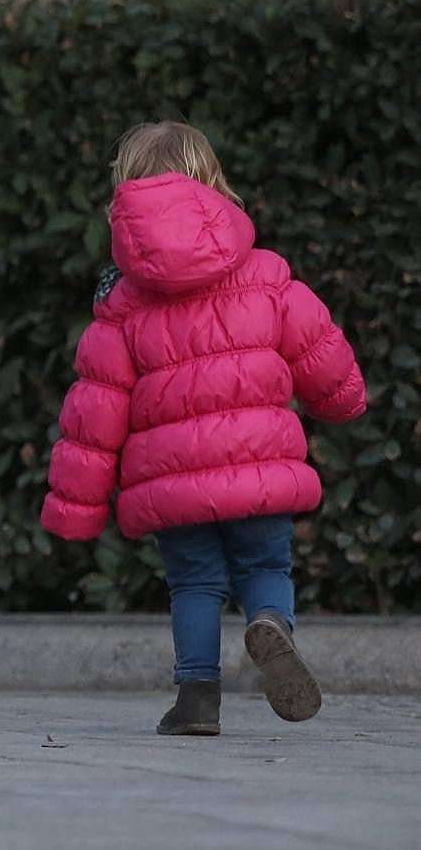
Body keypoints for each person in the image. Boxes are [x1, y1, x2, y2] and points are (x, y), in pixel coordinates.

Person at [41, 121, 366, 736]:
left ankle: (197, 699)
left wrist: (75, 506)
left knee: (194, 583)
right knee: (266, 567)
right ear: (213, 183)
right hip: (260, 470)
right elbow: (321, 354)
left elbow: (96, 411)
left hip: (171, 487)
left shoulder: (123, 303)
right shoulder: (267, 274)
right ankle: (269, 621)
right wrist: (343, 402)